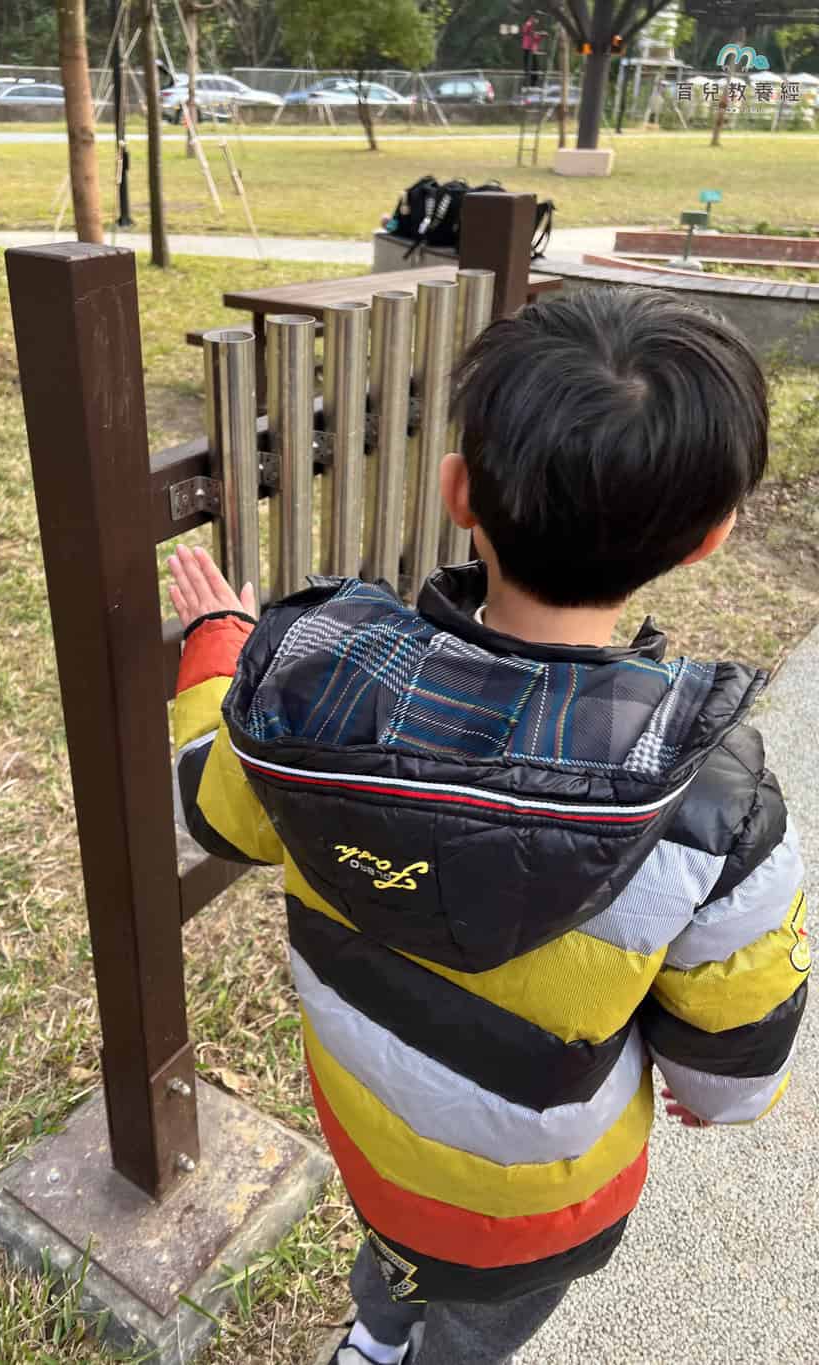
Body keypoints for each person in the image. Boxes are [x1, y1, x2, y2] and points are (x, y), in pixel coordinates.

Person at [169, 288, 809, 1365]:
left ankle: (370, 1344)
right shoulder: (712, 807)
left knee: (395, 1258)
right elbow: (732, 1074)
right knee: (477, 1327)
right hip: (540, 1208)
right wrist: (706, 1091)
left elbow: (207, 797)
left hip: (372, 1130)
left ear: (458, 491)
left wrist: (215, 651)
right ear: (711, 537)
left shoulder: (314, 696)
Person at [521, 15, 547, 86]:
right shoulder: (528, 27)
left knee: (535, 66)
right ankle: (529, 80)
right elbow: (525, 29)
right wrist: (531, 21)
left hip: (532, 50)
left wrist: (541, 35)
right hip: (527, 49)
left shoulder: (534, 33)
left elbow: (537, 39)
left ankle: (534, 81)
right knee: (528, 66)